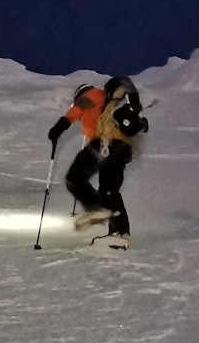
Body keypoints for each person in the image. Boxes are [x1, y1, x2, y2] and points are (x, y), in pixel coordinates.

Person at [47, 75, 147, 246]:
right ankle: (120, 234)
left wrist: (57, 129)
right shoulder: (114, 102)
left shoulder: (90, 96)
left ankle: (97, 208)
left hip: (105, 143)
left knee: (74, 177)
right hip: (124, 148)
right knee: (109, 189)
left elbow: (73, 113)